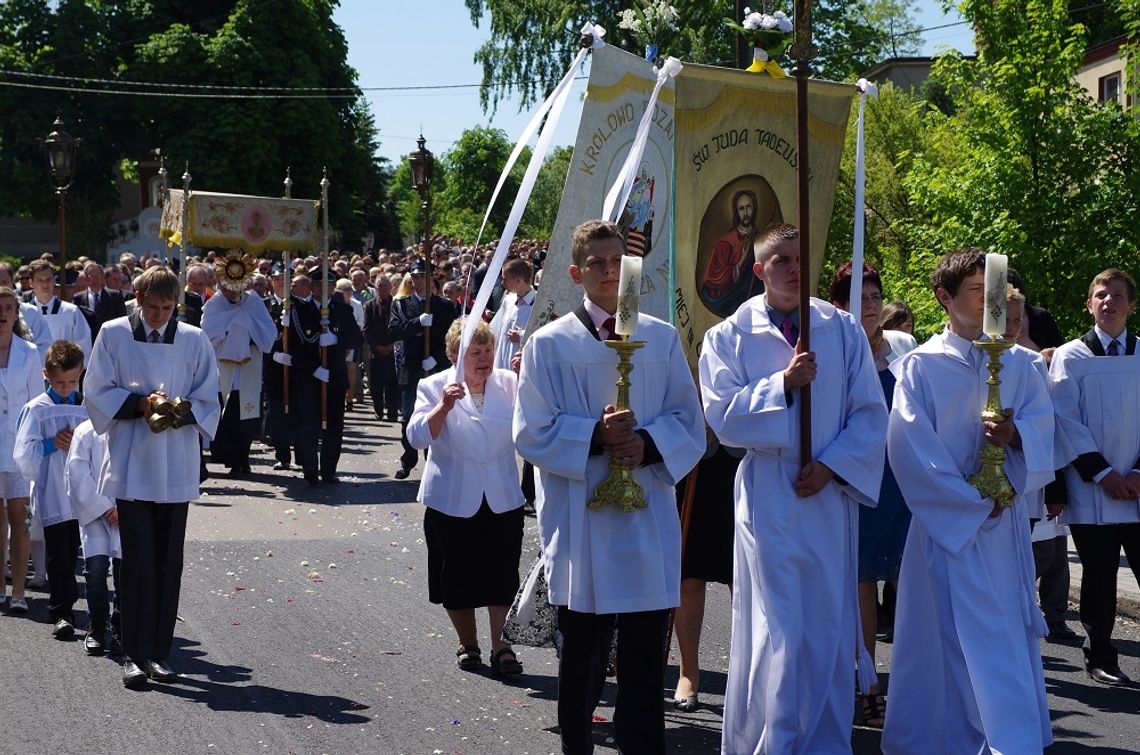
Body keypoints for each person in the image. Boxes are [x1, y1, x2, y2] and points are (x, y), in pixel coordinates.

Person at [514, 219, 704, 755]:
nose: (609, 270)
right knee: (583, 656)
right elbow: (530, 430)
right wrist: (594, 436)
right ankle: (577, 744)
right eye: (596, 262)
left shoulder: (661, 338)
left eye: (617, 260)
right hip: (583, 524)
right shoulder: (550, 345)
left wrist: (646, 443)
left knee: (645, 660)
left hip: (645, 516)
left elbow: (688, 421)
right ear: (576, 272)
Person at [699, 224, 887, 752]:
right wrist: (780, 385)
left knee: (827, 620)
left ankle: (824, 739)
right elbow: (724, 417)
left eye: (800, 258)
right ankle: (775, 738)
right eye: (780, 259)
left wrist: (833, 466)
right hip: (770, 493)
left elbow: (871, 413)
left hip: (827, 493)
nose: (792, 267)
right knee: (779, 622)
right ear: (758, 270)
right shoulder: (728, 336)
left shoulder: (842, 330)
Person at [882, 247, 1054, 753]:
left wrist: (1016, 437)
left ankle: (1008, 736)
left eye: (995, 292)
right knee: (945, 638)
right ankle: (940, 738)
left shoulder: (1021, 364)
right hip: (948, 530)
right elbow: (911, 449)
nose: (989, 302)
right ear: (945, 298)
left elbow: (1045, 429)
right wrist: (971, 503)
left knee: (1000, 635)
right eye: (979, 292)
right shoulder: (919, 367)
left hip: (1002, 533)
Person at [84, 266, 220, 688]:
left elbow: (209, 394)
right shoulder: (113, 333)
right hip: (130, 463)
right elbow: (96, 390)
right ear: (137, 298)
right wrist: (141, 404)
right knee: (137, 558)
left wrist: (178, 409)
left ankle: (159, 652)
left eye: (166, 308)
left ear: (176, 303)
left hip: (175, 464)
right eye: (152, 306)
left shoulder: (194, 339)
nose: (159, 315)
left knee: (167, 561)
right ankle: (133, 653)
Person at [408, 319, 525, 676]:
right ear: (453, 356)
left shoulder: (510, 382)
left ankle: (502, 647)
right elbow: (415, 437)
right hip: (452, 498)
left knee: (502, 574)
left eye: (488, 350)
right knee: (454, 575)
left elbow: (537, 415)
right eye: (475, 352)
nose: (484, 358)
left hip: (503, 496)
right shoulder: (433, 385)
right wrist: (442, 407)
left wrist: (532, 375)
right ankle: (467, 642)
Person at [829, 261, 912, 728]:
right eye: (860, 297)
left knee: (908, 581)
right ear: (839, 303)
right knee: (861, 585)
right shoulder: (834, 348)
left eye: (876, 296)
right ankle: (867, 685)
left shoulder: (900, 349)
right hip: (855, 480)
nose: (871, 305)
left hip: (898, 480)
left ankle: (916, 682)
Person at [1049, 267, 1140, 686]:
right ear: (1089, 304)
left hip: (1137, 486)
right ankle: (1101, 654)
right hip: (1093, 488)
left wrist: (1136, 473)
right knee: (1100, 576)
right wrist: (1104, 475)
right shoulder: (1071, 356)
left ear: (1131, 305)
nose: (1109, 302)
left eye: (1118, 295)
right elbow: (1066, 421)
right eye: (1101, 294)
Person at [1005, 288, 1078, 643]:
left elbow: (1046, 428)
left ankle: (1027, 624)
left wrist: (1016, 433)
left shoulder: (1032, 362)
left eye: (1020, 320)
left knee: (1031, 561)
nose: (1015, 327)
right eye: (1008, 319)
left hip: (1026, 487)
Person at [14, 340, 88, 639]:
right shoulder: (37, 409)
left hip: (82, 491)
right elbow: (23, 454)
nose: (66, 387)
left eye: (72, 381)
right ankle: (61, 611)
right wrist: (50, 444)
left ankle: (79, 607)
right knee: (58, 552)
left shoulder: (85, 405)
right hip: (54, 490)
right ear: (46, 374)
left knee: (75, 552)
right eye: (59, 382)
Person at [200, 257, 277, 477]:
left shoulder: (252, 301)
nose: (231, 292)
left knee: (246, 416)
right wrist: (230, 329)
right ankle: (228, 457)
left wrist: (246, 328)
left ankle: (242, 458)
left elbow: (268, 333)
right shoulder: (214, 304)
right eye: (226, 286)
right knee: (225, 417)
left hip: (248, 367)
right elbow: (206, 333)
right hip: (222, 366)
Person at [389, 259, 457, 480]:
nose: (418, 281)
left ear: (431, 278)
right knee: (408, 417)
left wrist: (436, 360)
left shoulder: (445, 306)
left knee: (436, 415)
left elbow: (453, 339)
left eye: (422, 276)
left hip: (436, 369)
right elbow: (394, 331)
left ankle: (432, 461)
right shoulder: (401, 304)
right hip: (411, 369)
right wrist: (418, 322)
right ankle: (408, 459)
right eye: (415, 276)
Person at [0, 287, 45, 614]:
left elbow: (37, 406)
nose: (2, 314)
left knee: (21, 518)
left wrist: (37, 448)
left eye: (7, 308)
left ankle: (18, 592)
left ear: (16, 314)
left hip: (18, 449)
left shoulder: (29, 353)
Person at [66, 417, 122, 656]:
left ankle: (120, 628)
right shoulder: (85, 430)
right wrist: (104, 507)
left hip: (126, 513)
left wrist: (124, 509)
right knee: (96, 569)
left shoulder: (131, 430)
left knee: (124, 572)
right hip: (97, 515)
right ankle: (97, 626)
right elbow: (77, 473)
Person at [700, 189, 766, 317]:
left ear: (754, 208)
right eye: (741, 209)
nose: (746, 213)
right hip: (730, 301)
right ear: (736, 212)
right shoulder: (726, 243)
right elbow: (713, 279)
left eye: (749, 207)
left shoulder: (761, 240)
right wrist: (741, 261)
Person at [25, 260, 91, 360]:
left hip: (65, 372)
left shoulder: (71, 311)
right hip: (32, 372)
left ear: (54, 281)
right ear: (31, 283)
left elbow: (84, 348)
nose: (45, 284)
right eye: (40, 280)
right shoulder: (23, 313)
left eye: (48, 279)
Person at [363, 274, 399, 422]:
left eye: (385, 286)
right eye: (379, 287)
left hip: (392, 351)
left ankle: (392, 412)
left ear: (391, 287)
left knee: (392, 385)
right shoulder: (369, 305)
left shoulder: (397, 305)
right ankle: (378, 410)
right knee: (376, 385)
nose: (382, 289)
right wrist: (377, 347)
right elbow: (366, 330)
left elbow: (399, 327)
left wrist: (392, 345)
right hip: (376, 352)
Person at [72, 261, 128, 342]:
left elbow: (122, 320)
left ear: (103, 277)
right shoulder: (77, 298)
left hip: (110, 340)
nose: (95, 280)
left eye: (98, 276)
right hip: (87, 341)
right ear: (86, 279)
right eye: (91, 276)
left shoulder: (115, 296)